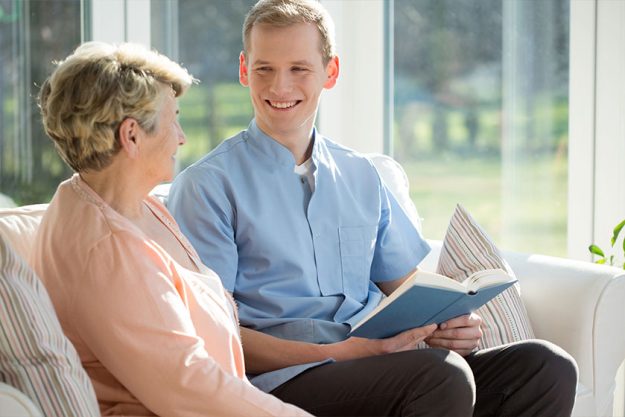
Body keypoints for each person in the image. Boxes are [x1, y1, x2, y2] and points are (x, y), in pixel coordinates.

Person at [168, 0, 578, 415]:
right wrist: (346, 353)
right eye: (264, 69)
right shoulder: (207, 187)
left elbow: (409, 287)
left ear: (331, 72)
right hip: (282, 382)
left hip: (383, 366)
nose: (279, 87)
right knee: (441, 376)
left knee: (545, 366)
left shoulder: (362, 175)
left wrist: (450, 325)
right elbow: (213, 334)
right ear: (243, 70)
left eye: (299, 68)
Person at [31, 41, 311, 417]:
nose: (181, 137)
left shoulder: (110, 200)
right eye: (173, 119)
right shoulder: (110, 251)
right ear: (131, 136)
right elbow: (190, 384)